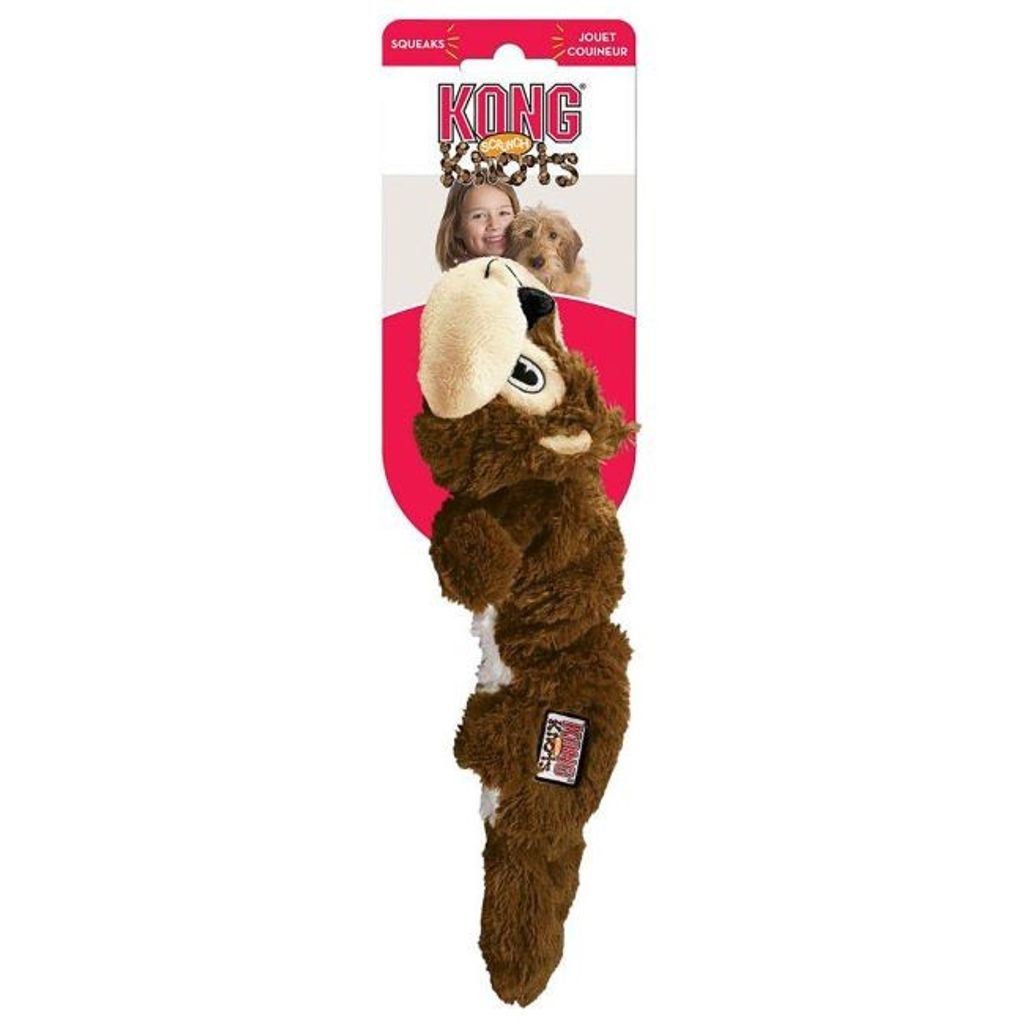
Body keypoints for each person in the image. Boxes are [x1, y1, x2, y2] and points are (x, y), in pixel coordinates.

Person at [435, 182, 521, 270]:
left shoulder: (524, 272)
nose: (494, 225)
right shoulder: (462, 277)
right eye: (478, 216)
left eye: (503, 213)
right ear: (456, 227)